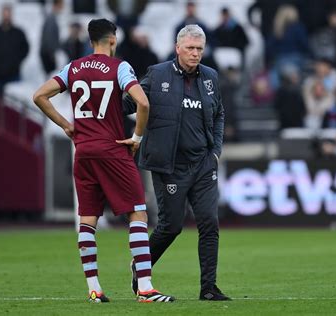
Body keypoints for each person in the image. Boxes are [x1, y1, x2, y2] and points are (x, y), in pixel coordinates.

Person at [32, 18, 174, 303]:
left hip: (83, 151)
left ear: (89, 40)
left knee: (87, 220)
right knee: (137, 214)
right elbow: (143, 102)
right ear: (113, 39)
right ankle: (145, 287)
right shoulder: (119, 67)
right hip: (112, 150)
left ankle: (94, 289)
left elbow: (39, 96)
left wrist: (65, 125)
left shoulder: (73, 67)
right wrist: (136, 138)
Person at [124, 24, 229, 301]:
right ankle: (140, 265)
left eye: (199, 49)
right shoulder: (157, 74)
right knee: (171, 226)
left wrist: (215, 150)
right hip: (169, 165)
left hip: (204, 164)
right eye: (190, 48)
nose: (195, 54)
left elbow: (219, 114)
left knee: (209, 223)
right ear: (177, 48)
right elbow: (128, 103)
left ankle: (208, 288)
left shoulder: (210, 78)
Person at [0, 5, 29, 96]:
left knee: (14, 104)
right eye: (5, 14)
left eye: (8, 14)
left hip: (14, 74)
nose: (6, 17)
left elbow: (25, 49)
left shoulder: (18, 33)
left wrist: (17, 61)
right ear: (1, 15)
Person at [39, 0, 63, 76]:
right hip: (48, 54)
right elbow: (49, 38)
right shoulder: (51, 19)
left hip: (48, 52)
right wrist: (52, 54)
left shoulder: (52, 18)